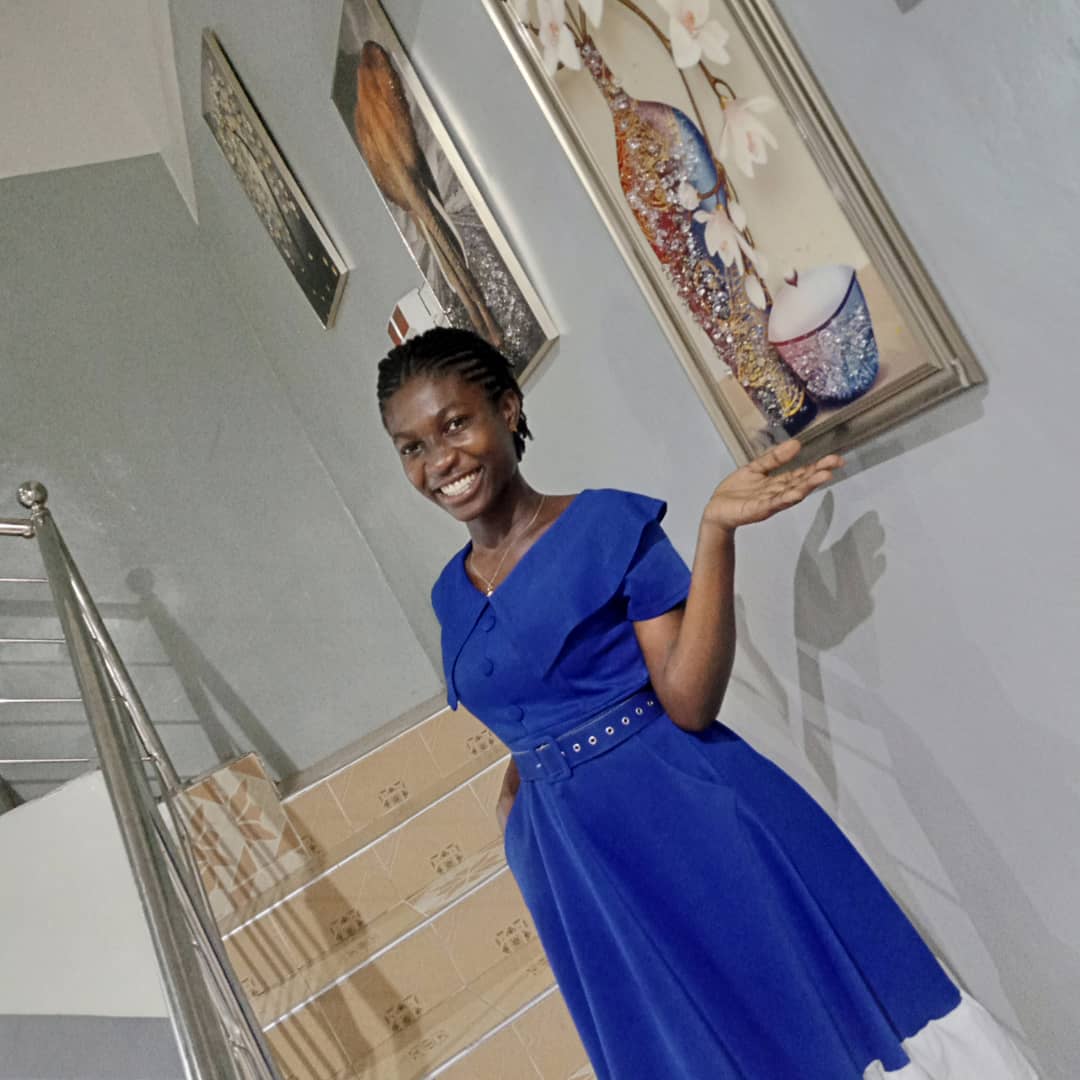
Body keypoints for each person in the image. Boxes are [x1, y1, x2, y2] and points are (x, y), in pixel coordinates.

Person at [377, 327, 1035, 1079]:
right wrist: (518, 802)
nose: (439, 461)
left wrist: (716, 533)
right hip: (572, 863)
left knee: (791, 1025)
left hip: (684, 818)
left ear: (507, 408)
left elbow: (689, 702)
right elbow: (525, 708)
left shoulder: (606, 526)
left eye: (454, 425)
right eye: (412, 447)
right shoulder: (449, 593)